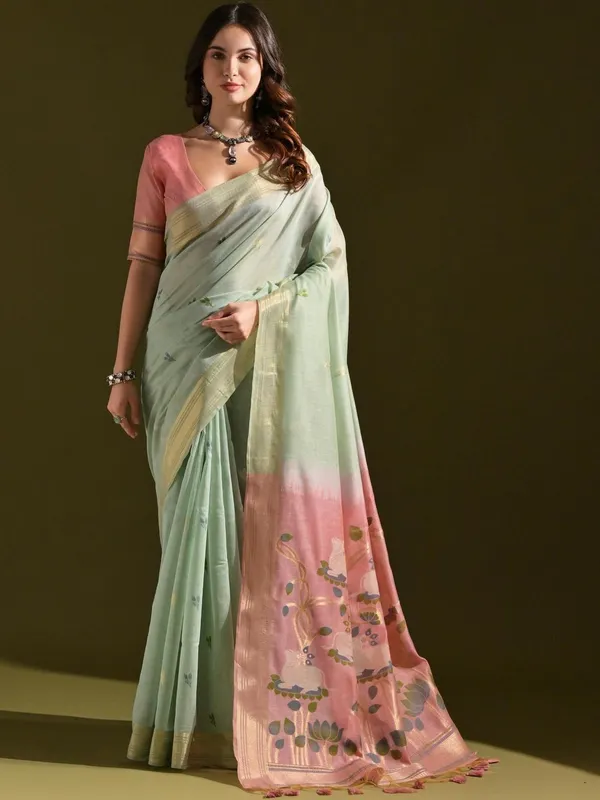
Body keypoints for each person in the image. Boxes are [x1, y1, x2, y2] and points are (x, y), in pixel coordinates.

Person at [108, 3, 495, 794]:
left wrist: (263, 312)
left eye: (247, 57)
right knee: (193, 542)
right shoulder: (164, 154)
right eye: (219, 56)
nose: (232, 70)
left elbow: (330, 267)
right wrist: (121, 374)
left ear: (266, 69)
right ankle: (188, 727)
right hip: (179, 363)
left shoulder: (292, 164)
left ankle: (247, 722)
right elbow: (143, 267)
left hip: (257, 366)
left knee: (252, 539)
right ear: (200, 68)